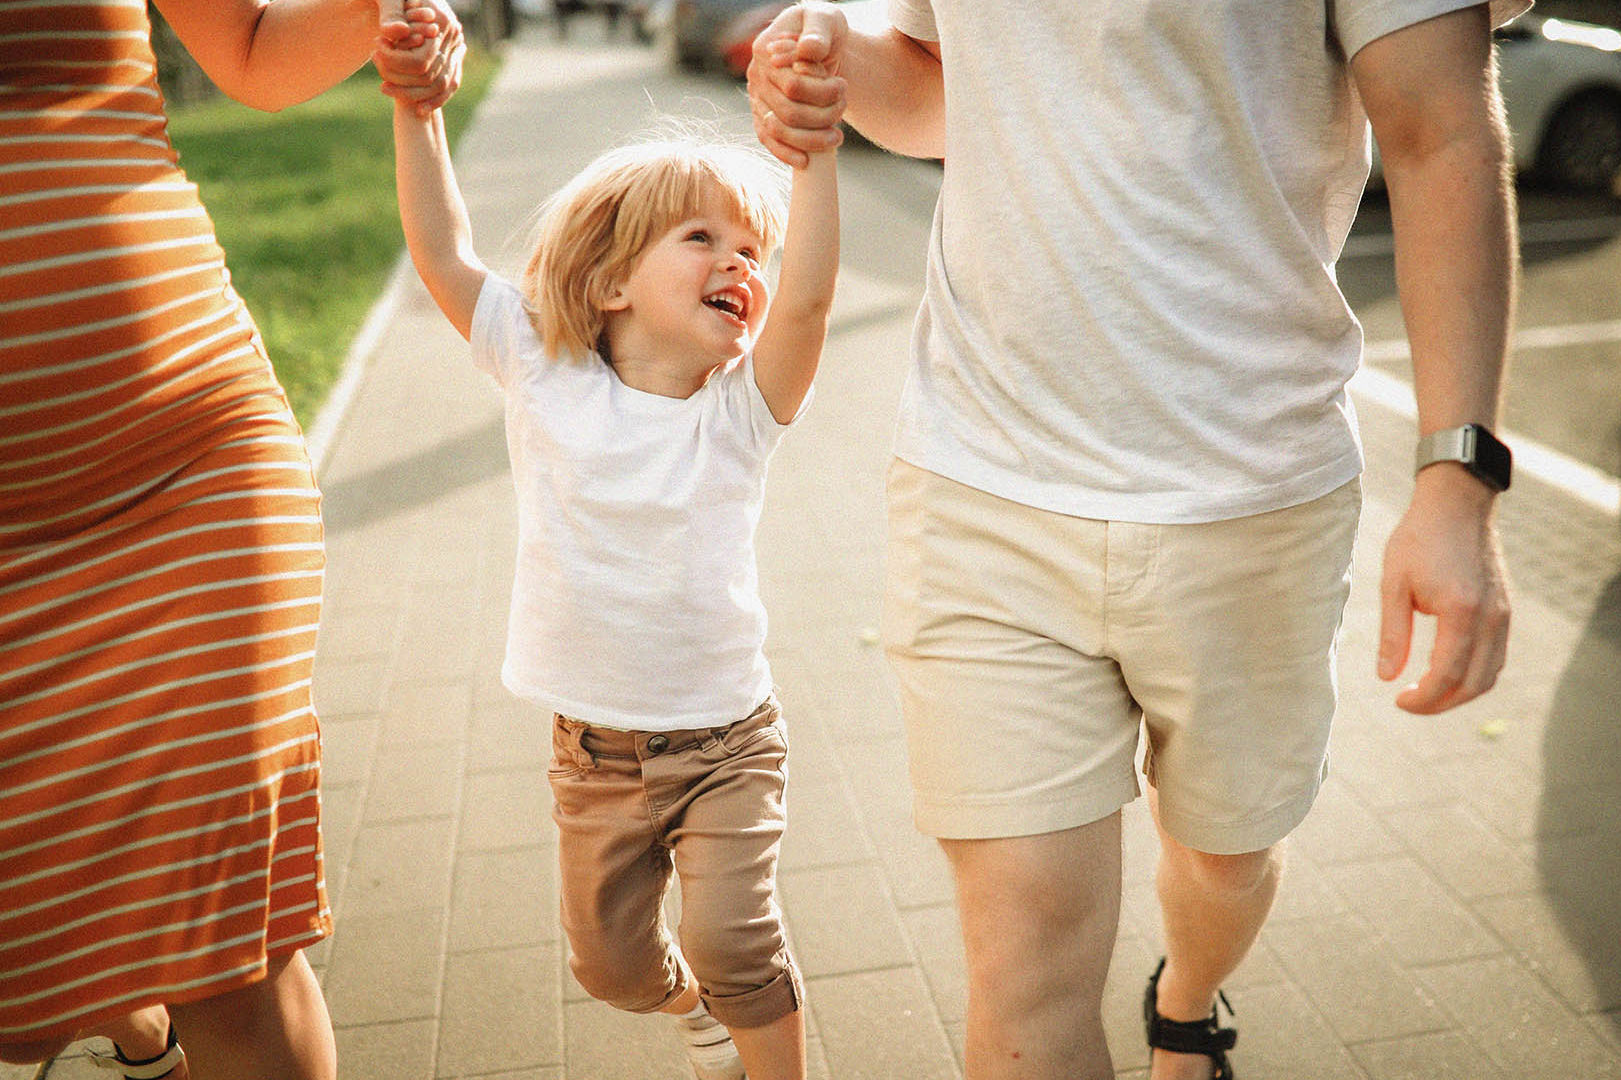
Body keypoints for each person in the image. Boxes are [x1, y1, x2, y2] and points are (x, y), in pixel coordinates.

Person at [748, 1, 1524, 1077]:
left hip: (1251, 498)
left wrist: (1456, 478)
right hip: (983, 478)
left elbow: (1440, 129)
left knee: (1221, 862)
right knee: (1021, 976)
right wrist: (833, 64)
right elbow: (942, 91)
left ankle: (1189, 999)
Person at [0, 2, 461, 1078]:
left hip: (186, 448)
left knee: (235, 952)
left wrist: (379, 10)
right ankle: (136, 1022)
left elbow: (251, 50)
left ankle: (156, 999)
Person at [372, 25, 840, 1077]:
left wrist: (815, 162)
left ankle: (750, 1023)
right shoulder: (540, 369)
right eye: (701, 241)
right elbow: (446, 254)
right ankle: (694, 1007)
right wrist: (417, 108)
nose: (739, 264)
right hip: (594, 756)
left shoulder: (744, 412)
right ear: (611, 282)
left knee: (737, 941)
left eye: (750, 251)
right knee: (614, 971)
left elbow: (806, 300)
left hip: (725, 741)